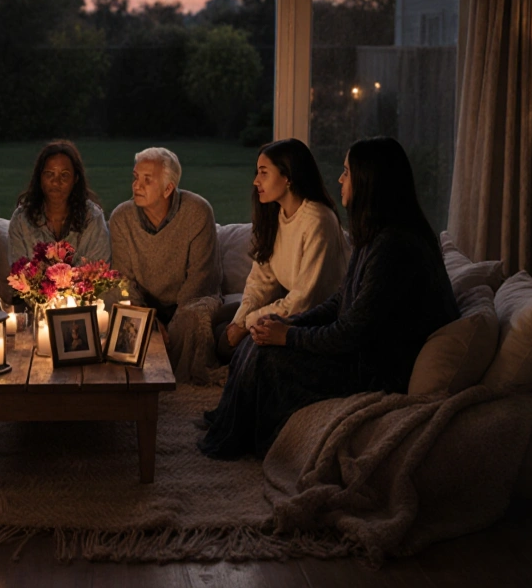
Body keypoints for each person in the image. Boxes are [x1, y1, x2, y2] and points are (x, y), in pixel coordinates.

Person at [199, 137, 459, 460]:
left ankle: (249, 440)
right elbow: (340, 301)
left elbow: (352, 333)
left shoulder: (395, 247)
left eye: (347, 172)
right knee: (259, 339)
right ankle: (230, 425)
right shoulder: (375, 235)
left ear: (369, 180)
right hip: (357, 351)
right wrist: (287, 323)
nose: (339, 179)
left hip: (376, 369)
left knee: (269, 356)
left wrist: (290, 336)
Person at [211, 139, 349, 364]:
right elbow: (260, 281)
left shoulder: (317, 220)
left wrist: (248, 326)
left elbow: (305, 300)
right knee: (220, 326)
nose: (256, 181)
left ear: (288, 177)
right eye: (257, 173)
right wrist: (240, 322)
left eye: (264, 173)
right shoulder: (276, 215)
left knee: (232, 344)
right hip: (291, 309)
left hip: (316, 320)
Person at [108, 147, 221, 383]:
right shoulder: (122, 217)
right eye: (136, 177)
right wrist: (147, 317)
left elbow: (200, 279)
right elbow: (123, 279)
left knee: (193, 317)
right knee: (111, 294)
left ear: (168, 188)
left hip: (190, 300)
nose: (136, 186)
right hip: (145, 302)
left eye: (147, 180)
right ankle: (130, 377)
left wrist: (174, 321)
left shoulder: (198, 212)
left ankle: (179, 386)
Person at [8, 141, 110, 265]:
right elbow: (19, 271)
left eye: (64, 175)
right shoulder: (22, 219)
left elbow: (98, 270)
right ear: (39, 177)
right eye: (49, 174)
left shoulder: (92, 217)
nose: (56, 182)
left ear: (75, 179)